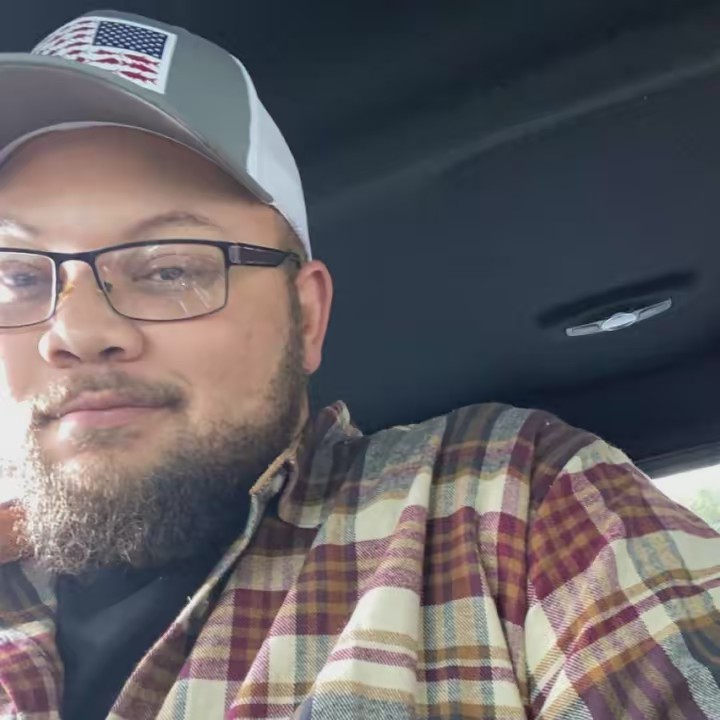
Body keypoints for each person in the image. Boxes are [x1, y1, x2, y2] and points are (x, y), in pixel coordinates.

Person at [0, 9, 717, 720]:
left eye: (168, 268)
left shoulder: (514, 505)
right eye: (17, 276)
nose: (74, 332)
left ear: (306, 316)